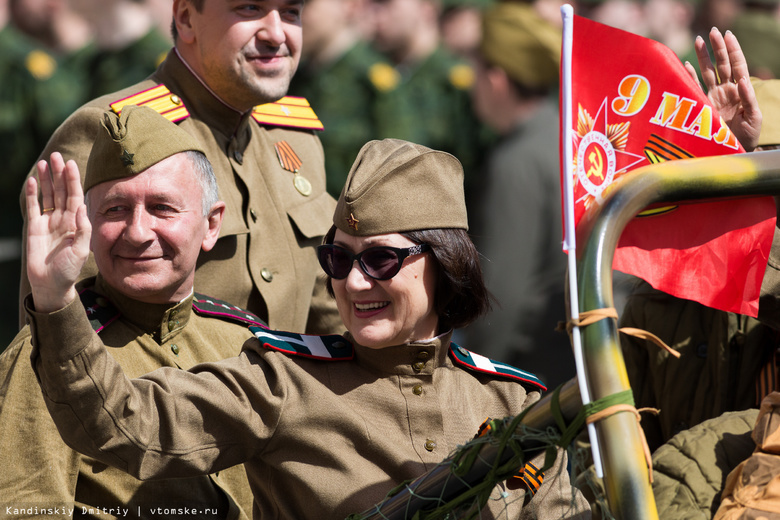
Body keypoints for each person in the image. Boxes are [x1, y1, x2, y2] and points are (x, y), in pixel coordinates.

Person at [26, 138, 591, 519]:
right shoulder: (283, 380)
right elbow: (128, 425)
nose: (354, 284)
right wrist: (57, 301)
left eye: (380, 261)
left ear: (443, 263)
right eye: (338, 262)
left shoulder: (515, 402)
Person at [18, 0, 343, 336]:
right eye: (249, 8)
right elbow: (61, 334)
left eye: (291, 12)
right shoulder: (110, 134)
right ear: (186, 18)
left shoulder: (295, 139)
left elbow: (328, 309)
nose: (276, 34)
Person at [1, 106, 256, 517]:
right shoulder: (48, 355)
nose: (137, 232)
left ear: (211, 225)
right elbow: (29, 507)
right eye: (115, 210)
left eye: (162, 208)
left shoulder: (246, 343)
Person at [464, 1, 573, 390]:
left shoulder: (516, 162)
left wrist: (475, 377)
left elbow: (502, 296)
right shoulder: (570, 135)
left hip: (540, 375)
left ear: (496, 79)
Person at [367, 0, 489, 196]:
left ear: (426, 8)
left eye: (386, 4)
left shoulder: (454, 82)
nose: (374, 16)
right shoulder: (379, 74)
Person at [287, 0, 388, 197]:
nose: (297, 15)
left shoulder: (372, 81)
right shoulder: (294, 77)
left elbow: (396, 172)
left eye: (306, 4)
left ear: (349, 5)